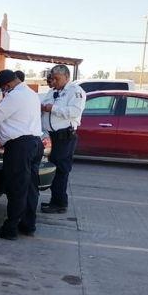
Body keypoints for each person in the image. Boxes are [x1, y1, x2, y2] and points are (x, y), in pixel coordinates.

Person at [0, 70, 44, 240]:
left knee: (16, 188)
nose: (3, 92)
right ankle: (28, 225)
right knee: (31, 188)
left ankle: (10, 230)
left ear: (8, 85)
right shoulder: (31, 94)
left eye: (3, 89)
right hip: (34, 144)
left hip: (20, 147)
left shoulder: (15, 96)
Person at [40, 65, 86, 214]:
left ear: (67, 77)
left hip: (64, 137)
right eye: (52, 78)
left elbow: (74, 112)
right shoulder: (52, 91)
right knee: (53, 169)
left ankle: (60, 203)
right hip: (52, 137)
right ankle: (55, 200)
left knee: (61, 170)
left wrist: (52, 108)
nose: (54, 81)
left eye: (57, 78)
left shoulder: (75, 91)